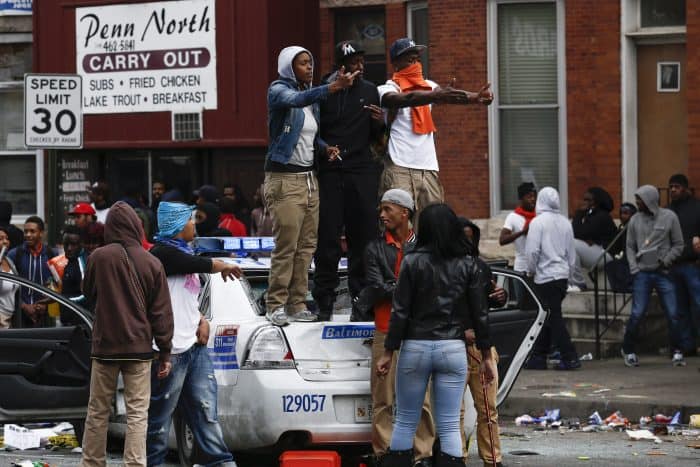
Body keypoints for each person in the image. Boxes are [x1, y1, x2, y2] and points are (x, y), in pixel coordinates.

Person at [376, 203, 494, 467]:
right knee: (450, 424)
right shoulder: (468, 264)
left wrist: (387, 351)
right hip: (452, 347)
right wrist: (486, 355)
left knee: (405, 419)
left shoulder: (412, 261)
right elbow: (480, 313)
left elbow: (400, 311)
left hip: (416, 346)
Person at [263, 45, 358, 326]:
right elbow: (297, 99)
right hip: (285, 179)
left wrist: (325, 148)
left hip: (309, 178)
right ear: (289, 66)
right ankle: (275, 304)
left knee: (307, 247)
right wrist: (331, 88)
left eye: (310, 62)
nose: (309, 67)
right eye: (303, 63)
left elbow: (310, 135)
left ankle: (297, 302)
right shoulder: (279, 90)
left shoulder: (312, 99)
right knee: (287, 245)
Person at [147, 202, 242, 467]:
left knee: (206, 414)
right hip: (170, 351)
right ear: (177, 225)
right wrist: (221, 265)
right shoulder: (161, 254)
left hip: (195, 348)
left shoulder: (182, 252)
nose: (194, 225)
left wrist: (200, 318)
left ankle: (222, 463)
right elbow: (191, 263)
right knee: (159, 421)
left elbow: (183, 297)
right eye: (190, 220)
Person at [80, 201, 174, 467]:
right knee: (137, 414)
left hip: (105, 348)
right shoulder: (152, 262)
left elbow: (89, 292)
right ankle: (134, 464)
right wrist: (165, 352)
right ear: (137, 226)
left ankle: (92, 463)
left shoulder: (98, 257)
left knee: (97, 412)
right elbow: (162, 314)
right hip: (139, 350)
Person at [354, 189, 435, 466]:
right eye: (381, 209)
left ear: (405, 212)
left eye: (387, 209)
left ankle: (422, 454)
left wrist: (397, 287)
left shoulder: (424, 246)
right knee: (382, 398)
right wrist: (410, 286)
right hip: (385, 328)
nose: (382, 215)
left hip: (418, 331)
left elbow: (429, 287)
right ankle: (384, 453)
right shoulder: (374, 247)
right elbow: (376, 287)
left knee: (421, 398)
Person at [377, 38, 493, 224]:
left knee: (433, 226)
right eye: (409, 59)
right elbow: (403, 99)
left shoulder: (429, 86)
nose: (415, 63)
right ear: (396, 63)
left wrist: (476, 98)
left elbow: (450, 96)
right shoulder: (388, 88)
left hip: (428, 168)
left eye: (417, 59)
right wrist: (435, 95)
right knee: (397, 225)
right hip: (400, 167)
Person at [311, 40, 384, 321]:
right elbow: (312, 130)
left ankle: (361, 303)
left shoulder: (370, 90)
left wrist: (379, 122)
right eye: (355, 63)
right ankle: (324, 303)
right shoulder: (324, 91)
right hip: (330, 172)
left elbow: (378, 139)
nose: (361, 67)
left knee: (363, 239)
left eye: (363, 62)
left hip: (361, 170)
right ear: (342, 66)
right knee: (327, 239)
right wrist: (323, 150)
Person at [622, 185, 685, 367]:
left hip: (663, 271)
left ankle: (677, 350)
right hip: (642, 273)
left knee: (673, 313)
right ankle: (628, 349)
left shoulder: (669, 217)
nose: (637, 202)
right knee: (637, 312)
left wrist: (666, 260)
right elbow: (630, 246)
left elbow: (678, 244)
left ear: (650, 200)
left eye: (640, 199)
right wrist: (634, 268)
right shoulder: (634, 220)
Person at [459, 218, 505, 467]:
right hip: (455, 346)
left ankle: (492, 459)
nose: (468, 242)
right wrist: (460, 331)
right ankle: (457, 459)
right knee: (455, 412)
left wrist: (501, 297)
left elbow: (489, 300)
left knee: (488, 409)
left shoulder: (480, 267)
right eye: (463, 237)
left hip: (482, 346)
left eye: (471, 238)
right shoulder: (444, 269)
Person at [523, 187, 581, 371]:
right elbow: (572, 253)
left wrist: (530, 271)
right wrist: (570, 274)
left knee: (553, 318)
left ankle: (569, 356)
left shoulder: (538, 223)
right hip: (562, 275)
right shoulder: (565, 222)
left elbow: (532, 251)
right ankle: (539, 357)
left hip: (544, 276)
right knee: (547, 317)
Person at [668, 174, 700, 356]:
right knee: (679, 309)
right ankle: (687, 345)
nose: (673, 190)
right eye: (671, 186)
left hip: (692, 264)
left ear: (686, 188)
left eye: (677, 186)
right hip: (674, 264)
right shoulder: (668, 211)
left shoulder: (696, 207)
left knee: (698, 304)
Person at [7, 216, 58, 327]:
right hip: (20, 314)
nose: (28, 235)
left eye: (32, 231)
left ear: (41, 233)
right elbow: (9, 285)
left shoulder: (52, 254)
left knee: (46, 343)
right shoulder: (14, 254)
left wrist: (45, 304)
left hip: (45, 313)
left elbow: (57, 283)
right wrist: (24, 306)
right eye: (26, 231)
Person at [569, 187, 617, 291]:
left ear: (596, 201)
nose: (584, 202)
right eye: (584, 199)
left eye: (588, 200)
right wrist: (585, 239)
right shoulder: (591, 215)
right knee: (572, 248)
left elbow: (577, 233)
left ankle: (578, 283)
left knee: (572, 243)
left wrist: (579, 213)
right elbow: (581, 233)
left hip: (606, 254)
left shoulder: (602, 216)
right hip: (597, 250)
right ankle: (573, 282)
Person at [499, 182, 537, 273]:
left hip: (539, 268)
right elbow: (502, 240)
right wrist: (523, 232)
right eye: (529, 197)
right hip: (521, 268)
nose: (533, 199)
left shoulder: (540, 215)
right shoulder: (513, 217)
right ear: (521, 199)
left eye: (534, 196)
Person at [0, 226, 18, 329]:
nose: (5, 241)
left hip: (9, 318)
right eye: (1, 239)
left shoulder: (9, 261)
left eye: (6, 238)